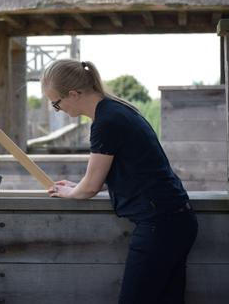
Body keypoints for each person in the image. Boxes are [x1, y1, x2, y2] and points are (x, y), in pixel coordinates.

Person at [41, 59, 198, 304]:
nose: (57, 110)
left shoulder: (106, 122)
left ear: (73, 94)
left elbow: (91, 187)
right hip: (175, 221)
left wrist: (72, 193)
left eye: (56, 104)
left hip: (159, 225)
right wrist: (76, 187)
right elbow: (118, 173)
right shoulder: (115, 110)